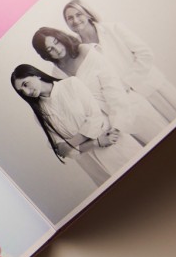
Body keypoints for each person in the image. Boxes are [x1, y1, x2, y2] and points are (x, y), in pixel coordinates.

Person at [31, 26, 165, 145]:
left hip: (128, 107)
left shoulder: (85, 51)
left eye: (56, 42)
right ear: (45, 54)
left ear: (61, 38)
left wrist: (117, 124)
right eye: (50, 49)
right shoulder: (57, 75)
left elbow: (112, 85)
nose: (57, 49)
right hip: (105, 129)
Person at [10, 64, 141, 186]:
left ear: (35, 75)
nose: (27, 92)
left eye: (25, 84)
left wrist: (69, 144)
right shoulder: (40, 115)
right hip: (91, 161)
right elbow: (63, 151)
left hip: (111, 143)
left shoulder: (71, 84)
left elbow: (95, 118)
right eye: (22, 91)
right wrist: (95, 142)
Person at [63, 0, 176, 121]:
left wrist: (127, 83)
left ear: (88, 14)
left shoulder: (114, 28)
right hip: (129, 103)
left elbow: (145, 54)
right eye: (70, 18)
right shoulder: (78, 50)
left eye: (79, 14)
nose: (75, 20)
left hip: (151, 87)